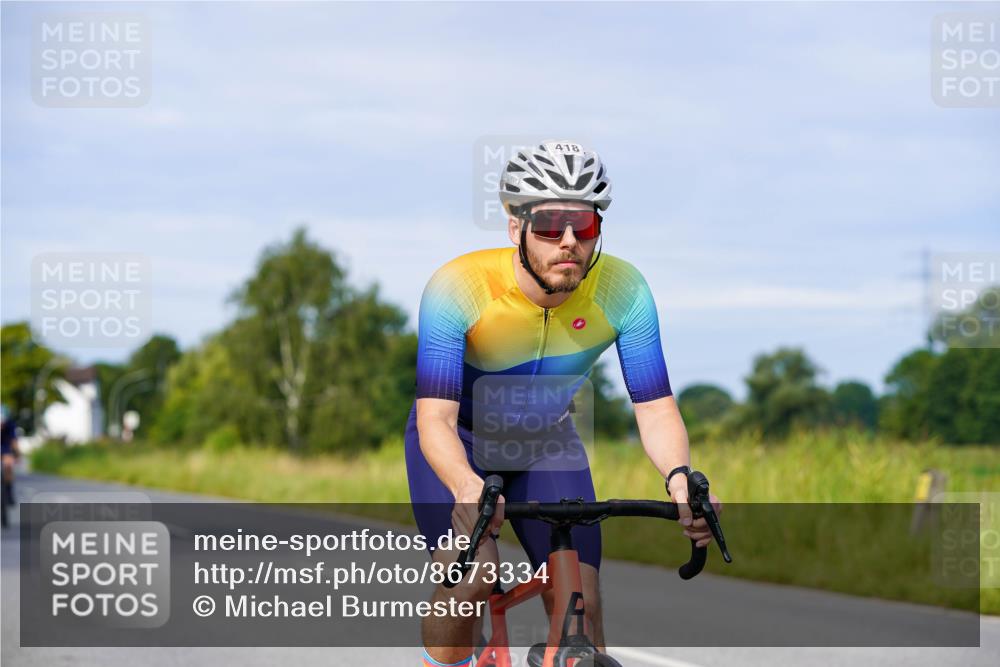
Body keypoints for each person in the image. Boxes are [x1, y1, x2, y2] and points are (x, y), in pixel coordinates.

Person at [406, 141, 721, 667]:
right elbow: (433, 416)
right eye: (551, 225)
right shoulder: (458, 285)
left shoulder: (624, 290)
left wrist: (680, 478)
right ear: (516, 227)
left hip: (547, 443)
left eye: (585, 225)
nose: (569, 242)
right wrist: (465, 484)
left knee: (582, 602)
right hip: (458, 442)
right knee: (474, 574)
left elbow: (655, 406)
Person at [1, 404, 20, 525]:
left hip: (5, 448)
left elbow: (14, 442)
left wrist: (17, 454)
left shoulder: (10, 425)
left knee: (8, 464)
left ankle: (8, 490)